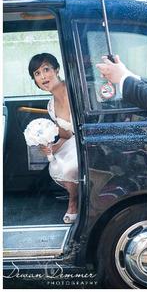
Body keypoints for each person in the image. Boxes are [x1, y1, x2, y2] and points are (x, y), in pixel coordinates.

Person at [29, 53, 79, 224]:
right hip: (72, 141)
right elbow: (66, 135)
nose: (43, 76)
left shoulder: (74, 91)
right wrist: (52, 147)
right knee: (57, 162)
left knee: (68, 167)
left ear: (57, 70)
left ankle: (74, 203)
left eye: (46, 69)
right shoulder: (50, 106)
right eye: (37, 73)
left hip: (87, 141)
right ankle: (77, 196)